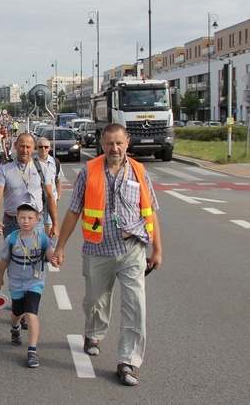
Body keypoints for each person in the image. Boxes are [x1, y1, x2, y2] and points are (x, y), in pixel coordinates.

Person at [52, 123, 162, 386]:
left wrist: (157, 248)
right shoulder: (89, 171)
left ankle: (128, 361)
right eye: (110, 143)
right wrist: (60, 246)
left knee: (135, 306)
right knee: (94, 301)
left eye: (119, 143)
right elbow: (73, 211)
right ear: (102, 145)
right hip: (98, 248)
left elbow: (151, 211)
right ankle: (94, 333)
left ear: (127, 143)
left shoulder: (138, 170)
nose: (115, 148)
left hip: (132, 248)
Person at [0, 203, 57, 368]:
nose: (26, 221)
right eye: (22, 217)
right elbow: (4, 260)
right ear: (16, 219)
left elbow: (51, 256)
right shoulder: (12, 238)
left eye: (30, 218)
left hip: (35, 281)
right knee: (17, 313)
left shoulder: (42, 238)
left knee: (31, 313)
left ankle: (32, 350)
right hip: (15, 281)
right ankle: (14, 327)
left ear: (37, 219)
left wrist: (56, 260)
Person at [0, 133, 58, 240]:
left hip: (35, 221)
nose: (24, 150)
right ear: (16, 145)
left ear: (33, 148)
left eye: (28, 147)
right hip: (12, 222)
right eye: (21, 146)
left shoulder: (42, 167)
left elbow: (50, 196)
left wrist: (55, 224)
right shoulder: (5, 167)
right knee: (12, 255)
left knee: (35, 255)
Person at [34, 137, 65, 236]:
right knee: (36, 227)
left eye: (46, 147)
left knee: (50, 226)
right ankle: (38, 247)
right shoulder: (32, 162)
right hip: (36, 200)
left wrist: (58, 196)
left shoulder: (55, 162)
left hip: (51, 199)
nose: (43, 149)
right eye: (41, 146)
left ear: (50, 148)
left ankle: (48, 248)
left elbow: (59, 180)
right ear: (36, 148)